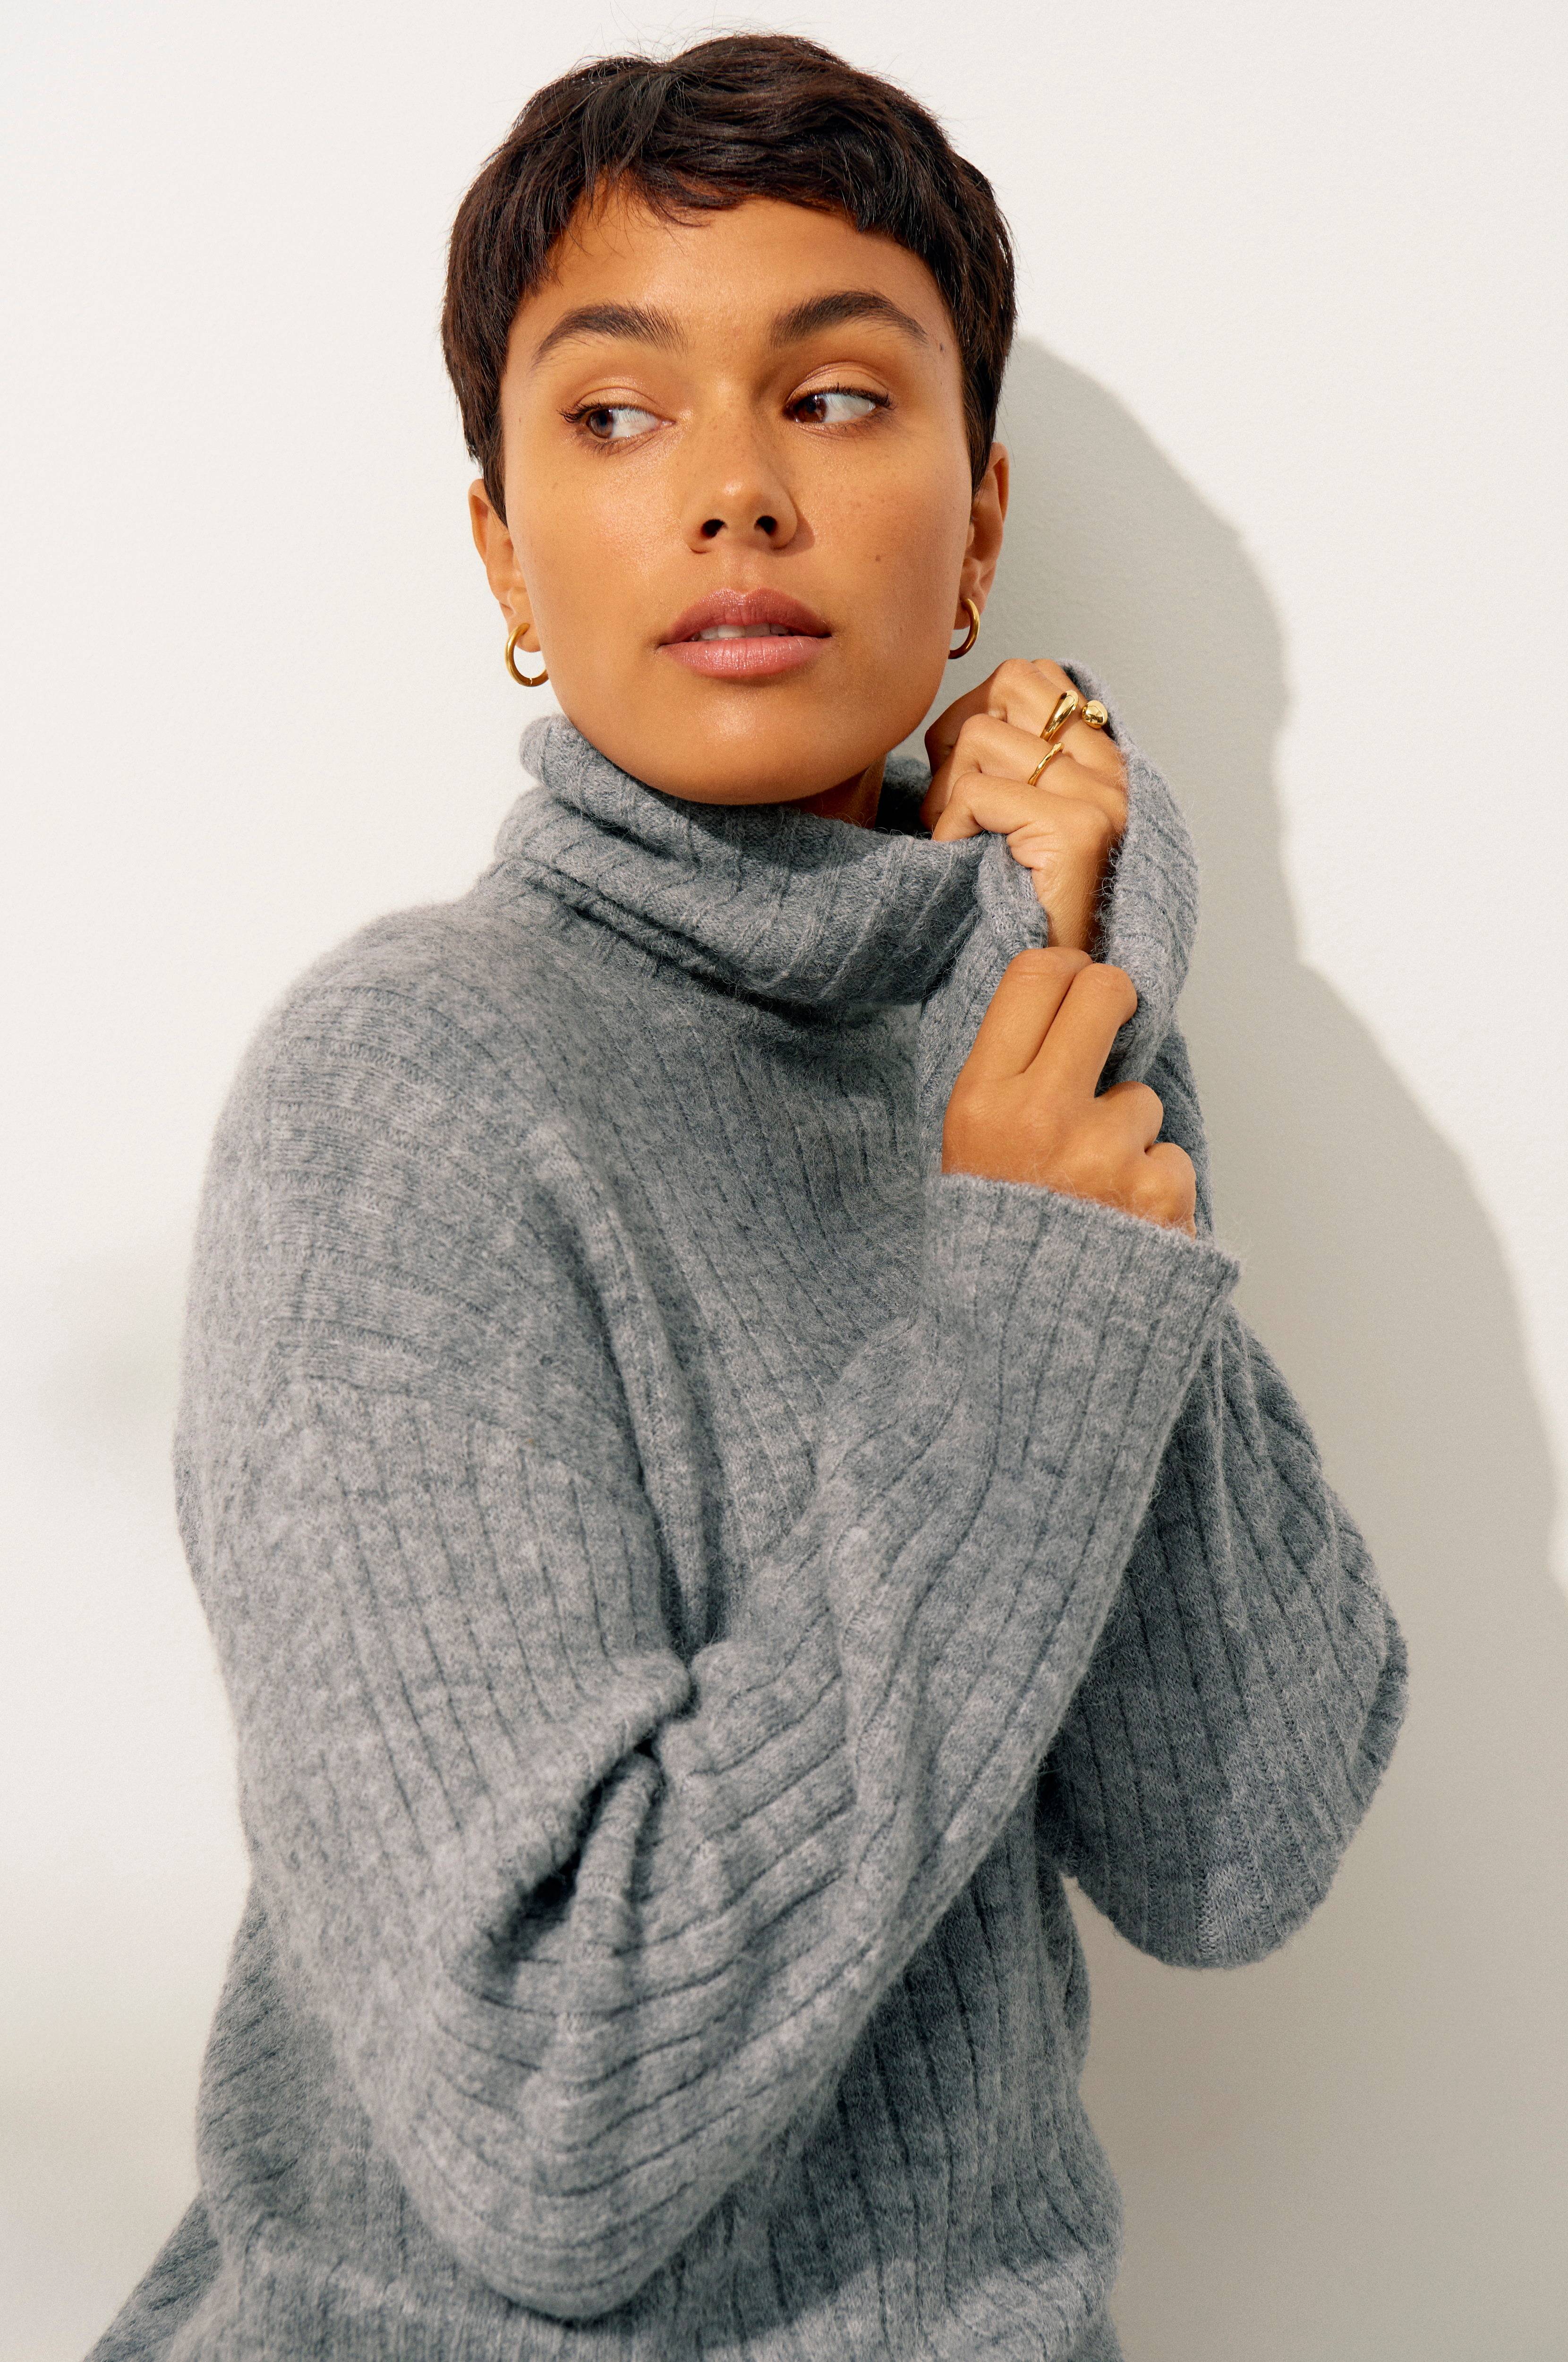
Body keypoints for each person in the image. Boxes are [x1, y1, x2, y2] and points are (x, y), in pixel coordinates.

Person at [90, 33, 1407, 2362]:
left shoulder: (1006, 1060)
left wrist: (1069, 990)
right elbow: (554, 2129)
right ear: (502, 548)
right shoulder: (407, 1088)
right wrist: (1026, 1302)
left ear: (975, 525)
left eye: (831, 397)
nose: (732, 494)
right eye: (615, 413)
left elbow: (1238, 1839)